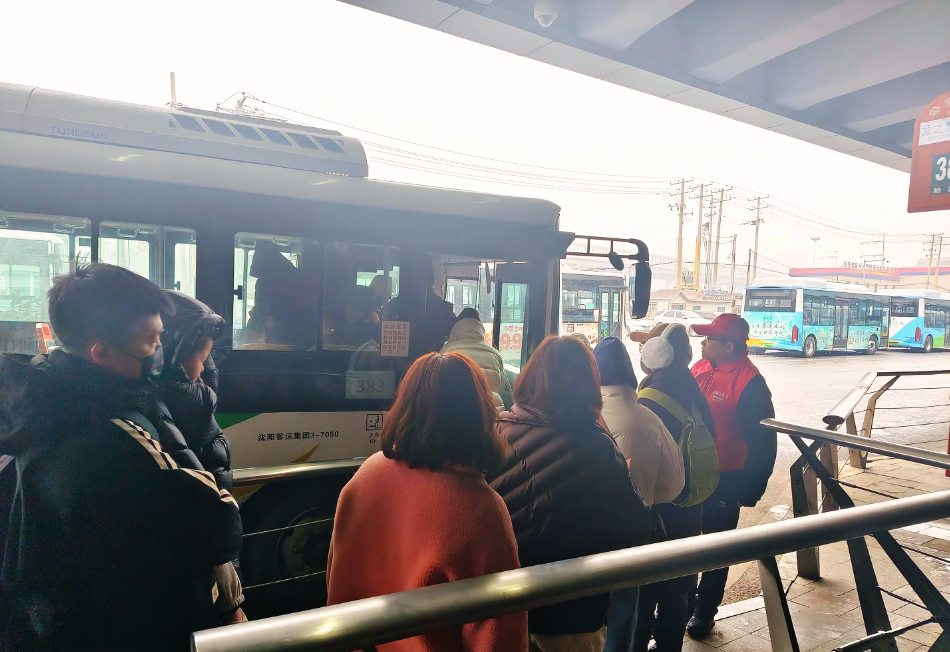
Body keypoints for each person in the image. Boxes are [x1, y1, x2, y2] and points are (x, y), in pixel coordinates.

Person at [0, 264, 243, 652]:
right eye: (150, 344)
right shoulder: (114, 433)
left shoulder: (40, 408)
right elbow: (217, 523)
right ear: (101, 353)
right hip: (119, 625)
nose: (161, 356)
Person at [327, 352, 526, 652]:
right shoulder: (482, 511)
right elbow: (498, 637)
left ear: (405, 405)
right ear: (479, 413)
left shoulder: (368, 473)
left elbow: (336, 574)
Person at [488, 335, 650, 652]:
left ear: (528, 378)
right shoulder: (599, 448)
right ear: (588, 386)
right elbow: (634, 531)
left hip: (502, 608)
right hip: (571, 614)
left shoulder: (495, 432)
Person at [148, 291, 246, 624]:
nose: (205, 368)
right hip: (197, 563)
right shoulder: (177, 409)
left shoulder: (183, 400)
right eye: (201, 358)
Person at [687, 314, 777, 640]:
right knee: (684, 543)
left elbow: (763, 441)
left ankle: (704, 611)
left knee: (717, 548)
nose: (702, 343)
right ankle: (683, 603)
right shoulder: (699, 368)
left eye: (709, 339)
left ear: (728, 346)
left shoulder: (751, 383)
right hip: (690, 475)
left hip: (725, 479)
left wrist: (750, 488)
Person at [594, 336, 684, 652]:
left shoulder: (579, 416)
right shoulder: (649, 419)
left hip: (585, 534)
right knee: (624, 609)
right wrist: (644, 491)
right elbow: (674, 486)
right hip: (633, 534)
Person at [633, 323, 716, 652]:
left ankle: (639, 644)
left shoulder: (650, 397)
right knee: (680, 581)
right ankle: (669, 645)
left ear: (658, 353)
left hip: (660, 507)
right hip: (691, 502)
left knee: (646, 585)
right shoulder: (692, 387)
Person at [441, 307, 511, 410]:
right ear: (480, 328)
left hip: (456, 413)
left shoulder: (446, 352)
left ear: (455, 329)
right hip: (491, 413)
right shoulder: (495, 353)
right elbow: (503, 389)